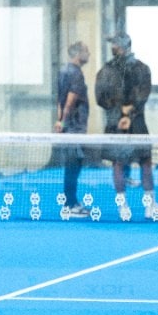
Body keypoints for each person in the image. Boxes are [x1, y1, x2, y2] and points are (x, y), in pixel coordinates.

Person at [94, 33, 158, 220]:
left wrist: (124, 112)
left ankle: (149, 207)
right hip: (123, 123)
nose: (113, 47)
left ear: (125, 46)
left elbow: (140, 95)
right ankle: (125, 208)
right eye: (112, 44)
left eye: (116, 44)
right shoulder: (108, 70)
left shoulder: (138, 69)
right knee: (121, 164)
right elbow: (102, 98)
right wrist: (124, 111)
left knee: (143, 163)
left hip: (130, 124)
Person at [53, 40, 90, 217]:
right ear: (78, 54)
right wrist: (63, 121)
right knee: (74, 165)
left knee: (72, 165)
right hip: (75, 128)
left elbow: (59, 100)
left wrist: (59, 120)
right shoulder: (76, 74)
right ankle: (70, 204)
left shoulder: (63, 71)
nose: (89, 54)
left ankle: (71, 202)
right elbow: (69, 100)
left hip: (69, 126)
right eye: (86, 51)